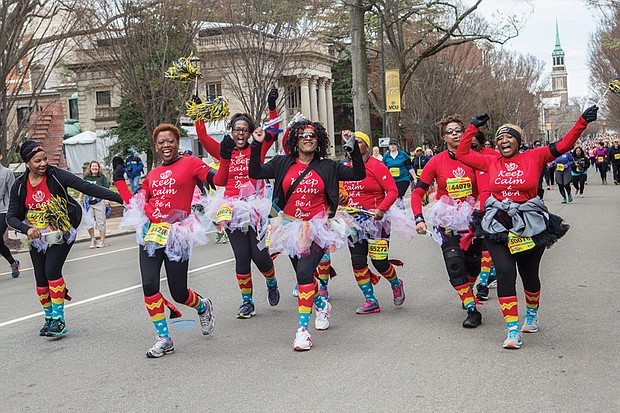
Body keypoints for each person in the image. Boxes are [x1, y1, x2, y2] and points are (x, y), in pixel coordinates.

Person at [455, 105, 598, 349]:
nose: (504, 141)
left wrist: (582, 121)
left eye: (509, 136)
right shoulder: (490, 161)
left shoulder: (536, 156)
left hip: (529, 223)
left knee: (529, 276)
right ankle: (512, 331)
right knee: (505, 273)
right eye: (499, 138)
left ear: (519, 142)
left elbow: (564, 145)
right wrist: (472, 127)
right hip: (498, 223)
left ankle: (531, 316)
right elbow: (462, 154)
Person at [113, 124, 234, 358]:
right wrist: (119, 181)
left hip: (178, 232)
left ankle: (203, 306)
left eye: (170, 140)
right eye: (161, 142)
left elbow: (219, 179)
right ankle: (164, 339)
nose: (166, 145)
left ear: (178, 143)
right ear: (156, 146)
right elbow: (137, 205)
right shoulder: (152, 175)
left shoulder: (190, 163)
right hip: (151, 233)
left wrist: (225, 158)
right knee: (149, 286)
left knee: (178, 292)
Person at [248, 120, 365, 351]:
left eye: (312, 135)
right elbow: (255, 171)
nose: (308, 138)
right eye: (302, 135)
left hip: (317, 227)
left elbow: (358, 174)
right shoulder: (282, 163)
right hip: (290, 227)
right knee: (305, 277)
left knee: (304, 272)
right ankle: (322, 303)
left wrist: (352, 148)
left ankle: (302, 331)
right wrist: (256, 145)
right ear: (295, 140)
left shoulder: (328, 166)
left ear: (318, 139)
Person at [7, 140, 123, 337]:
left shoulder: (56, 176)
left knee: (52, 270)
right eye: (37, 161)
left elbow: (87, 187)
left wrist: (120, 197)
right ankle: (49, 318)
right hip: (36, 236)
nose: (43, 163)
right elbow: (11, 217)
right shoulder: (20, 186)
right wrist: (26, 229)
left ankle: (59, 321)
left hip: (60, 231)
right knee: (40, 278)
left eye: (44, 159)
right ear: (27, 164)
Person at [196, 88, 281, 318]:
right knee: (242, 257)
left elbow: (273, 130)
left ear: (251, 132)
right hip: (231, 208)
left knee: (260, 256)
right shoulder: (226, 150)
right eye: (237, 130)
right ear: (231, 132)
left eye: (244, 130)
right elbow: (203, 138)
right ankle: (247, 302)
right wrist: (198, 113)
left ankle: (271, 282)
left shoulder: (258, 147)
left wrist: (271, 105)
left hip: (255, 207)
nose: (240, 134)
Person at [412, 115, 483, 329]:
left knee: (473, 267)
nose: (454, 134)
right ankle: (471, 308)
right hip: (448, 221)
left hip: (473, 221)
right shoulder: (436, 161)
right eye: (450, 131)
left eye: (458, 130)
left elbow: (486, 188)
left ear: (465, 134)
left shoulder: (475, 157)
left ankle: (467, 290)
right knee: (455, 265)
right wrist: (419, 218)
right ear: (444, 137)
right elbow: (417, 192)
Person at [341, 130, 406, 314]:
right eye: (353, 142)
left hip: (377, 221)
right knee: (358, 261)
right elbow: (342, 192)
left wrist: (381, 209)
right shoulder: (346, 167)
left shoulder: (377, 166)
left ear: (367, 146)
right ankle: (370, 300)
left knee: (379, 262)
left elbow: (392, 191)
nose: (355, 145)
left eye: (359, 142)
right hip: (353, 222)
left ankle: (396, 283)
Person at [78, 160, 110, 248]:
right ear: (90, 168)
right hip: (89, 203)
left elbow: (107, 189)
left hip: (100, 201)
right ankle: (93, 239)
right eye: (93, 166)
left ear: (99, 168)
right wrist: (80, 198)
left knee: (101, 222)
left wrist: (107, 199)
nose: (94, 168)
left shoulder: (102, 178)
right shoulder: (86, 178)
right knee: (89, 222)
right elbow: (82, 189)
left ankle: (102, 241)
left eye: (96, 166)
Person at [0, 153, 20, 278]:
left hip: (3, 210)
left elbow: (13, 193)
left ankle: (13, 263)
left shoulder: (7, 172)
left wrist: (13, 213)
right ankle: (13, 262)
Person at [382, 138, 415, 209]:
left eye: (394, 144)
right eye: (391, 144)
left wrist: (415, 178)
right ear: (389, 146)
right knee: (395, 196)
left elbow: (410, 167)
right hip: (391, 180)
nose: (392, 146)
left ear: (397, 146)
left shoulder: (404, 155)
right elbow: (383, 169)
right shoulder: (386, 156)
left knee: (399, 194)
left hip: (403, 178)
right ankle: (401, 210)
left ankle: (399, 211)